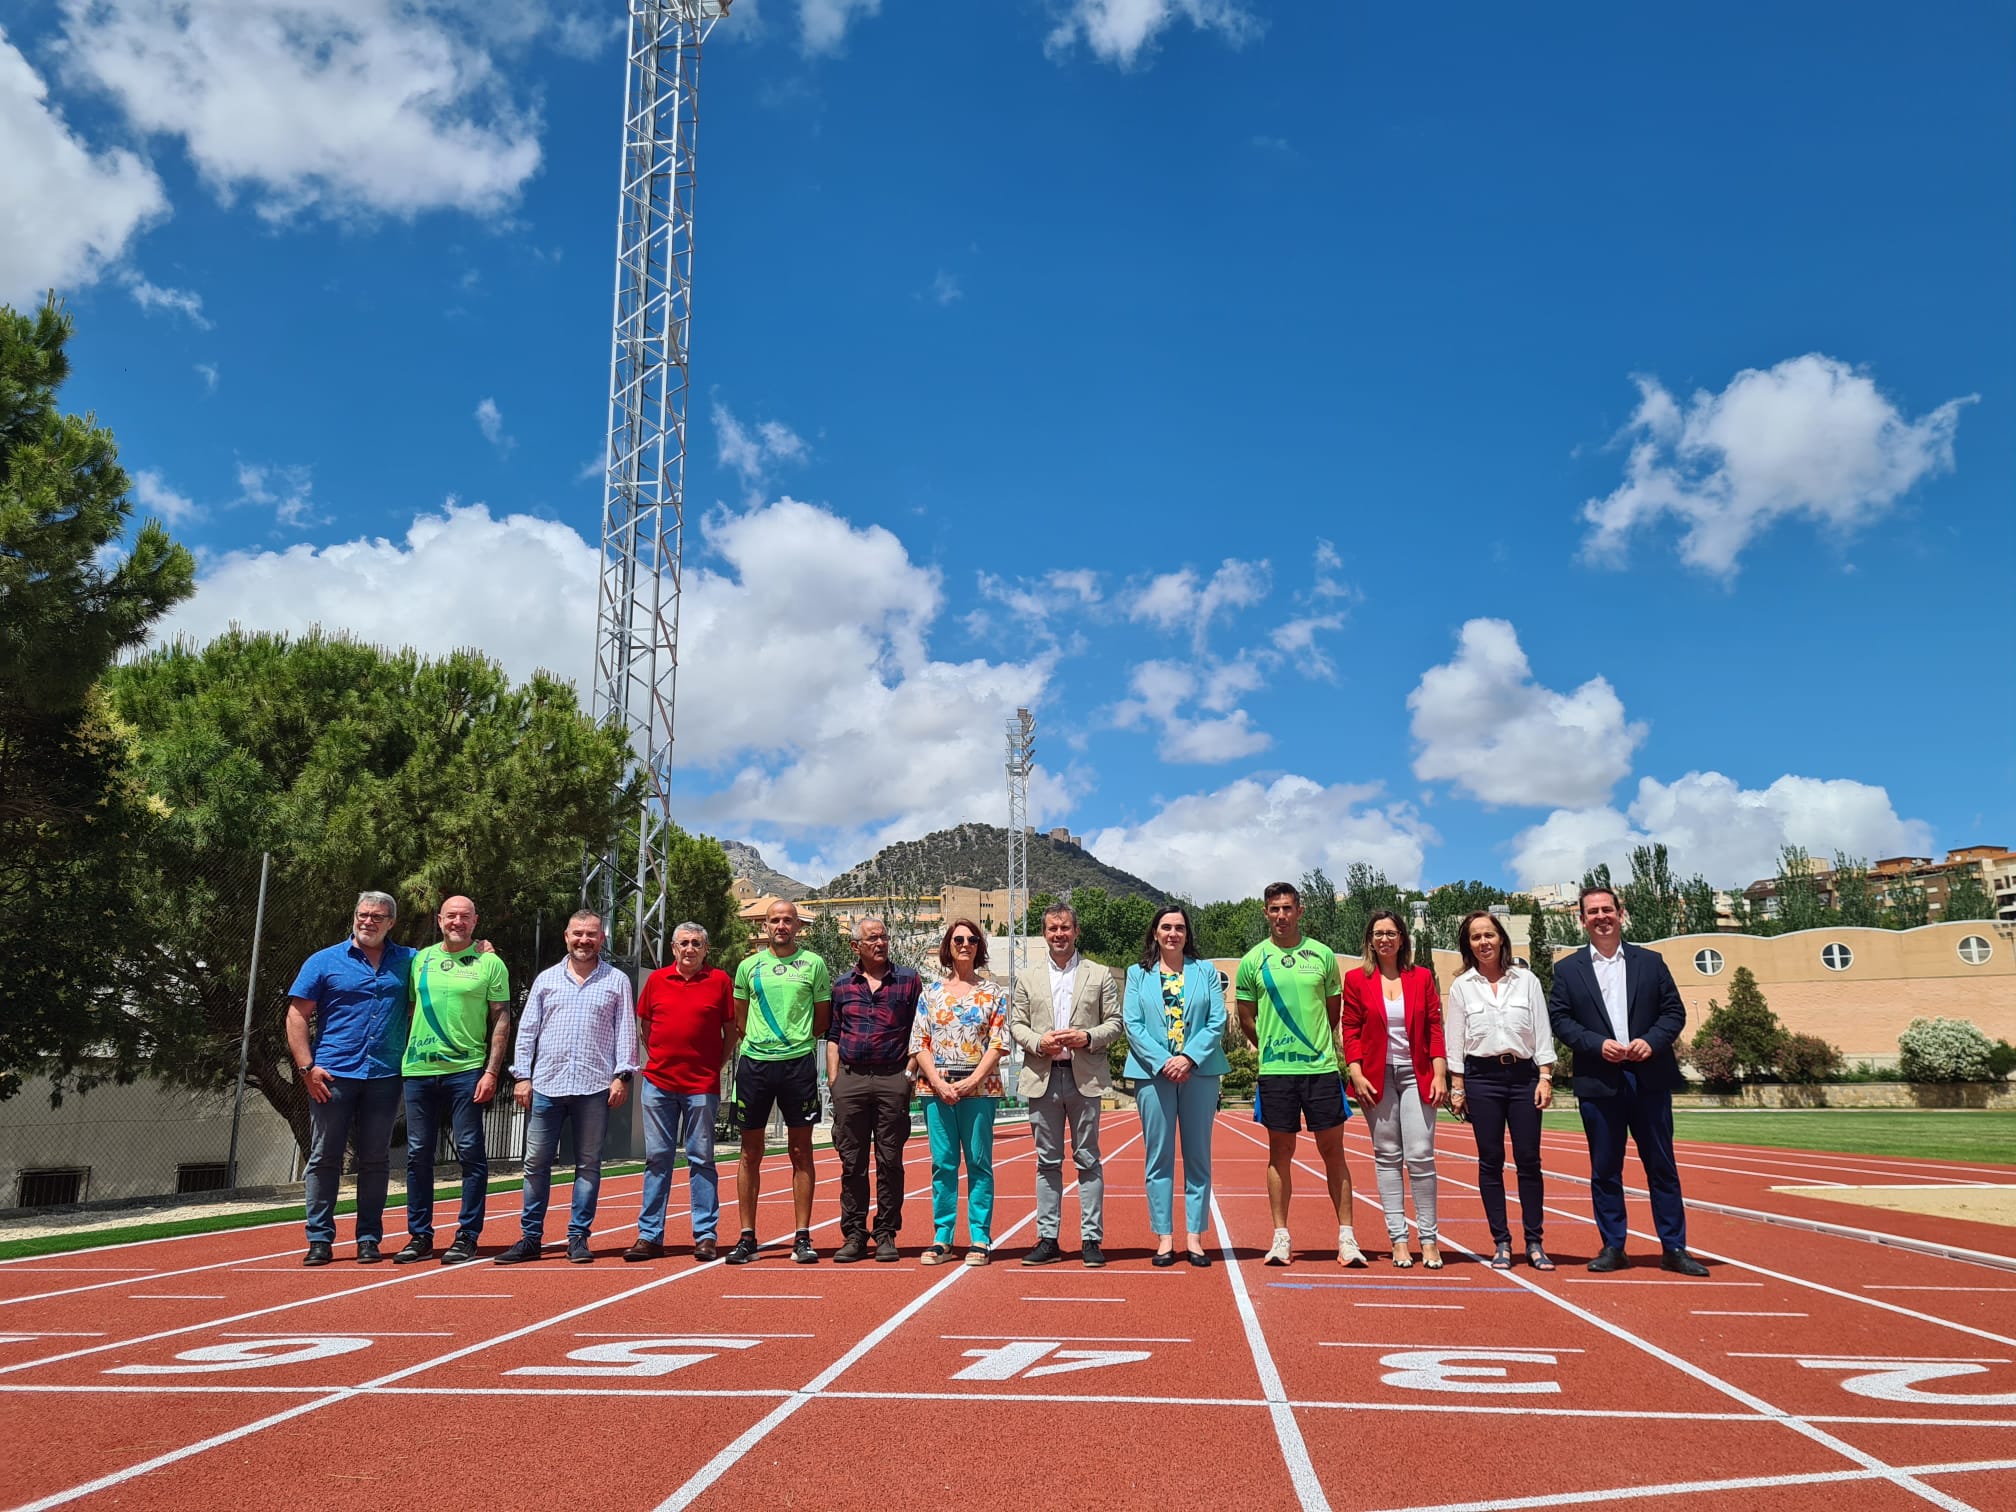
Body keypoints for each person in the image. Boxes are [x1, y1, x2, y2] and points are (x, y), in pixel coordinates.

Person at [1547, 884, 1709, 1276]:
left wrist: (1650, 1043)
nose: (1601, 916)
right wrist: (1596, 1044)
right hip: (1599, 1081)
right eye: (1592, 911)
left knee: (1662, 1167)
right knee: (1605, 1170)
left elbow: (1673, 1013)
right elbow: (1561, 1020)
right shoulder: (1567, 969)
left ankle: (1674, 1247)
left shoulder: (1650, 963)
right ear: (1581, 919)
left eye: (1607, 909)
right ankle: (1613, 1246)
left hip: (1648, 1078)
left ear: (1621, 913)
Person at [1235, 881, 1367, 1268]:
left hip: (1321, 1069)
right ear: (1265, 913)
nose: (1281, 915)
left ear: (1300, 911)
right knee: (1280, 1154)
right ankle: (1280, 1238)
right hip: (1276, 1072)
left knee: (1333, 1152)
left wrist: (1314, 1046)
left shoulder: (1322, 956)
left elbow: (1332, 1012)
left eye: (1287, 908)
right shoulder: (1252, 960)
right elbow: (1247, 1019)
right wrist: (1275, 1046)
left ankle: (1347, 1238)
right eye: (1274, 909)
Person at [496, 910, 637, 1265]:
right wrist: (522, 1076)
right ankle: (530, 1238)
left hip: (594, 1086)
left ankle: (578, 1237)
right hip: (546, 1085)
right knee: (536, 1163)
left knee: (589, 1164)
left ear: (602, 939)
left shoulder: (617, 980)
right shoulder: (546, 980)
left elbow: (626, 1032)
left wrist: (622, 1076)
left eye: (591, 934)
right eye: (578, 934)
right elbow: (526, 1031)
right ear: (566, 936)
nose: (584, 940)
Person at [284, 891, 415, 1266]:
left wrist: (482, 951)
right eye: (362, 914)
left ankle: (369, 1238)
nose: (368, 922)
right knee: (325, 1157)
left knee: (375, 1159)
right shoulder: (323, 961)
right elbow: (296, 1015)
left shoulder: (409, 960)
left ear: (391, 922)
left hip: (385, 1074)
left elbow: (445, 966)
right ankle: (319, 1240)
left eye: (377, 916)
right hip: (332, 1074)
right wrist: (307, 1067)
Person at [395, 895, 511, 1265]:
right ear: (439, 919)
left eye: (465, 916)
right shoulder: (420, 959)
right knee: (418, 1156)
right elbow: (411, 1008)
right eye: (451, 916)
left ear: (476, 921)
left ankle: (467, 1235)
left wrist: (492, 1071)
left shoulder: (490, 962)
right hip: (418, 1071)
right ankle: (420, 1236)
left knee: (471, 1153)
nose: (457, 922)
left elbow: (502, 1019)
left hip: (466, 1071)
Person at [1008, 903, 1123, 1268]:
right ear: (1044, 934)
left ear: (1076, 932)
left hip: (1084, 1078)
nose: (1059, 934)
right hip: (1043, 1078)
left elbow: (1116, 1024)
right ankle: (1048, 1239)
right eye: (1052, 928)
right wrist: (1036, 1042)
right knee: (1047, 1162)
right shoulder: (1027, 977)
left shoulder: (1099, 974)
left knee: (1088, 1159)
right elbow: (1016, 1024)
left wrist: (1087, 1036)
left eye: (1065, 928)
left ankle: (1091, 1239)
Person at [1445, 910, 1556, 1270]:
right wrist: (1457, 1087)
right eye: (1476, 937)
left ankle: (1535, 1241)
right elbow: (1455, 1041)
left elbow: (1542, 1031)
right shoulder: (1462, 987)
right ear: (1468, 945)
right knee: (1490, 1161)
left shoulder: (1526, 981)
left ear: (1501, 939)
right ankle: (1501, 1242)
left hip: (1524, 1077)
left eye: (1489, 935)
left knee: (1529, 1161)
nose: (1483, 942)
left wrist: (1545, 1077)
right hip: (1482, 1079)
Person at [1340, 909, 1448, 1269]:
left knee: (1420, 1154)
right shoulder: (1356, 979)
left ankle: (1429, 1240)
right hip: (1376, 1076)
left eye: (1391, 932)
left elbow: (1435, 1025)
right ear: (1370, 940)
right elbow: (1350, 1029)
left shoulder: (1422, 978)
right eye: (1378, 933)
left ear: (1402, 938)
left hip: (1417, 1074)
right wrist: (1354, 1072)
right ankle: (1399, 1239)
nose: (1384, 938)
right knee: (1387, 1155)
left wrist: (1440, 1072)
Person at [726, 900, 831, 1266]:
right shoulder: (748, 967)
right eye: (774, 920)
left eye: (788, 920)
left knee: (801, 1152)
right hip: (755, 1065)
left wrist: (793, 1042)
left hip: (798, 1066)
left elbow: (821, 1021)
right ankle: (747, 1237)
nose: (781, 925)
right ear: (765, 926)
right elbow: (740, 1020)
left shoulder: (814, 964)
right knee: (749, 1153)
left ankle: (802, 1237)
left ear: (798, 926)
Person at [1122, 904, 1227, 1267]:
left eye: (1179, 928)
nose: (1172, 933)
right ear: (1155, 933)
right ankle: (1165, 1237)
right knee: (1159, 1157)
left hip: (1199, 1072)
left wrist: (1189, 1058)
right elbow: (1132, 1024)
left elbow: (1217, 1020)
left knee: (1198, 1156)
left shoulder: (1207, 972)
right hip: (1153, 1075)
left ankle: (1195, 1237)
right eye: (1165, 927)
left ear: (1187, 934)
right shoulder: (1137, 974)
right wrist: (1164, 1061)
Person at [628, 921, 737, 1262]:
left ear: (706, 949)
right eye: (684, 943)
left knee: (702, 1159)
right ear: (673, 948)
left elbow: (731, 1032)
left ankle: (705, 1235)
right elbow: (645, 1027)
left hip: (701, 1086)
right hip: (658, 1084)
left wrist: (713, 1067)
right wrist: (661, 1057)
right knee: (657, 1160)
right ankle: (649, 1236)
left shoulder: (719, 981)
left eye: (696, 943)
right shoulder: (657, 981)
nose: (690, 949)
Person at [909, 918, 1010, 1266]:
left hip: (979, 1091)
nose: (964, 944)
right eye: (957, 940)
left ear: (979, 946)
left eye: (971, 939)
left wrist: (971, 1082)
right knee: (943, 1163)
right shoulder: (930, 993)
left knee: (979, 1163)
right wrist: (938, 1082)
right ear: (948, 948)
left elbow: (998, 1043)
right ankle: (943, 1237)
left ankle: (980, 1237)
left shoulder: (994, 993)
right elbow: (919, 1042)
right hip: (935, 1091)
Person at [826, 915, 921, 1263]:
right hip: (850, 1080)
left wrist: (908, 1075)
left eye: (884, 937)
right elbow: (833, 1036)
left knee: (890, 1161)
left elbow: (919, 1029)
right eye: (872, 939)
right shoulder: (841, 986)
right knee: (851, 1163)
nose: (880, 943)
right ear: (856, 946)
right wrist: (835, 1082)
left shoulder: (909, 981)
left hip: (892, 1078)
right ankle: (853, 1234)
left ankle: (885, 1233)